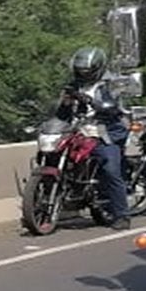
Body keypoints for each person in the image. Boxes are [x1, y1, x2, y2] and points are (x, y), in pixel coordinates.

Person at [55, 46, 131, 231]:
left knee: (110, 169)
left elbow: (113, 108)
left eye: (87, 71)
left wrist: (91, 102)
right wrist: (66, 103)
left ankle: (122, 215)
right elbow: (61, 115)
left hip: (105, 133)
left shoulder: (111, 84)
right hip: (79, 132)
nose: (83, 74)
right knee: (54, 153)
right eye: (80, 71)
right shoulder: (73, 86)